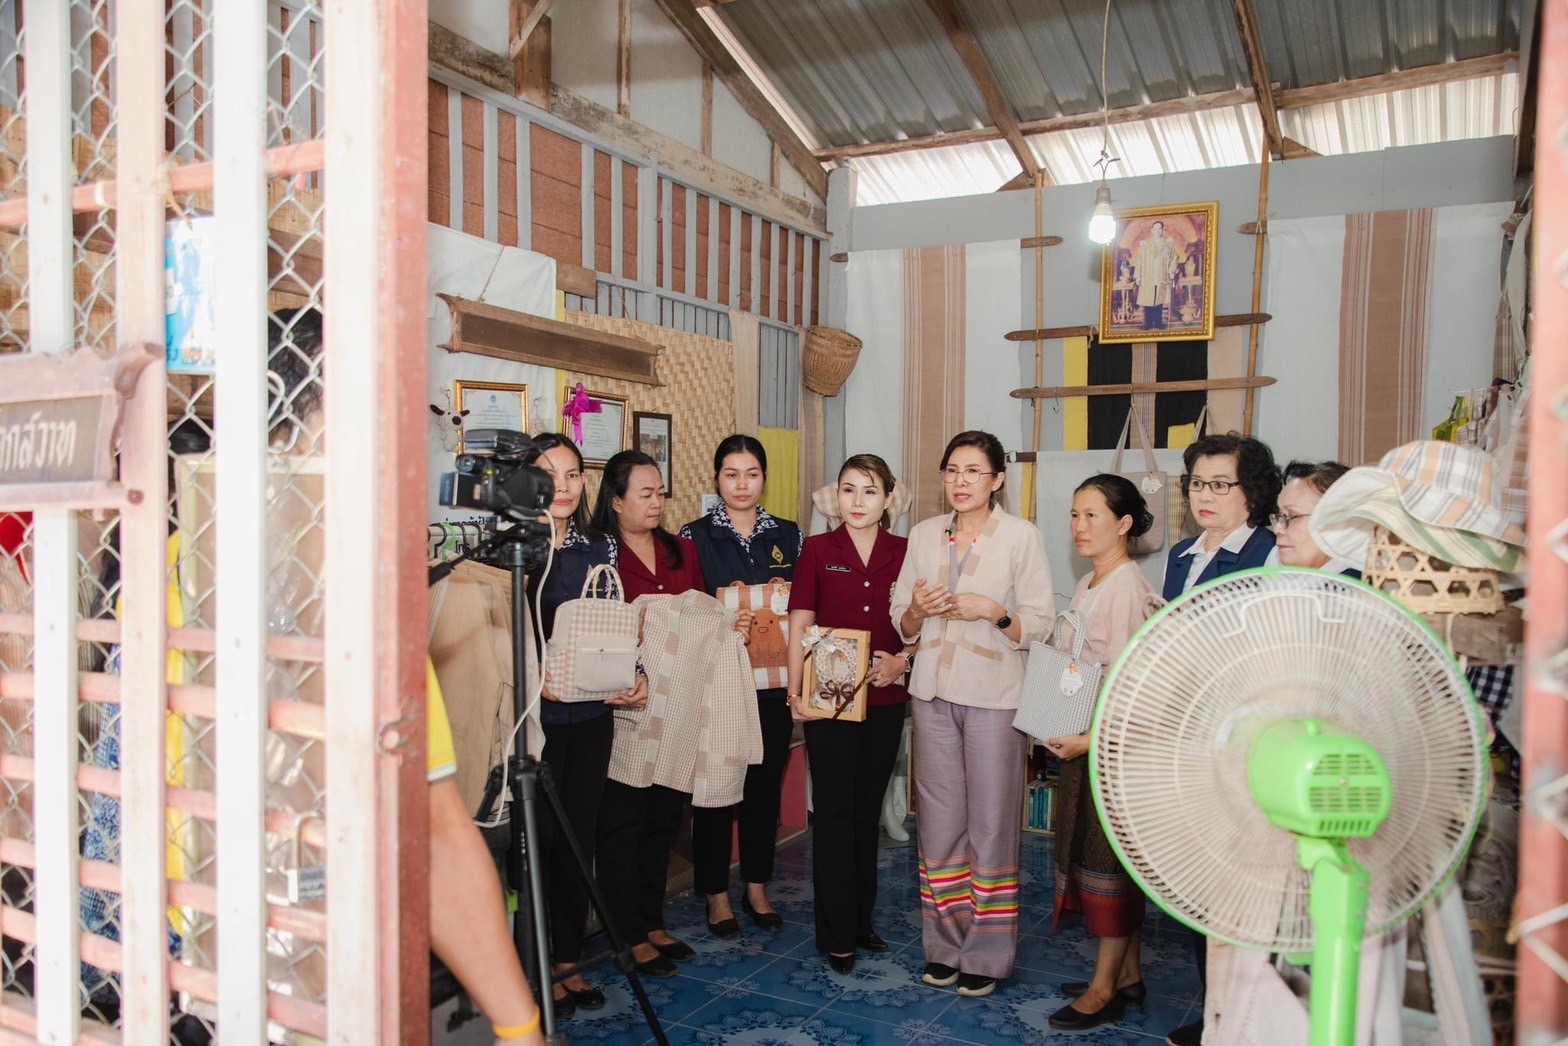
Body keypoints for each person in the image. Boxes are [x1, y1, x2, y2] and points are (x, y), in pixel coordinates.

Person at [265, 309, 548, 1043]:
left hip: (333, 979)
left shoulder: (362, 609)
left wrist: (519, 1029)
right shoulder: (167, 573)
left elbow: (436, 833)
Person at [890, 431, 1053, 999]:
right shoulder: (924, 534)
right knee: (937, 824)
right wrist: (914, 608)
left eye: (974, 471)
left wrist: (995, 612)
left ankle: (986, 952)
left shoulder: (1021, 537)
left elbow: (1041, 623)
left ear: (997, 480)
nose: (961, 481)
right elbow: (900, 620)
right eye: (952, 470)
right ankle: (944, 946)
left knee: (991, 824)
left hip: (995, 696)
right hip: (931, 690)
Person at [1160, 431, 1280, 1046]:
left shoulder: (1269, 552)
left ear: (1251, 493)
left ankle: (1248, 1022)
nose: (1203, 495)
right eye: (1195, 483)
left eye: (1218, 484)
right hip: (1189, 734)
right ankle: (1216, 1016)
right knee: (1202, 886)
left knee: (1245, 889)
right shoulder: (1181, 555)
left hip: (1245, 740)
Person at [524, 431, 647, 1019]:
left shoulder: (600, 546)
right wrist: (532, 676)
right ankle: (533, 965)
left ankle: (568, 962)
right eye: (549, 474)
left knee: (578, 837)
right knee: (537, 844)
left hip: (593, 712)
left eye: (573, 474)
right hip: (535, 721)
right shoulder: (515, 546)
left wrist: (636, 671)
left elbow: (615, 621)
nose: (564, 486)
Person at [1043, 476, 1164, 1031]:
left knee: (1108, 865)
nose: (1080, 526)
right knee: (1099, 858)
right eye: (1073, 515)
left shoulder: (1128, 589)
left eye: (1093, 515)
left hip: (1113, 749)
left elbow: (1140, 689)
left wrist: (1091, 740)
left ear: (1124, 524)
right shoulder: (1095, 582)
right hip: (1084, 739)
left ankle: (1102, 989)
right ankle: (1129, 974)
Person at [786, 454, 910, 974]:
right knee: (834, 817)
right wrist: (795, 691)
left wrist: (903, 661)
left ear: (888, 499)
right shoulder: (817, 549)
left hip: (885, 702)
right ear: (835, 497)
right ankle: (836, 933)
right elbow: (800, 621)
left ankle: (862, 923)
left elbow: (921, 626)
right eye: (848, 490)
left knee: (866, 815)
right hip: (827, 704)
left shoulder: (905, 551)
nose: (857, 501)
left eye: (869, 491)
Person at [591, 450, 707, 978]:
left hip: (678, 705)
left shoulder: (682, 551)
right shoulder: (598, 554)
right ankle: (628, 932)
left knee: (664, 818)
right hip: (626, 710)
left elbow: (702, 614)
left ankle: (653, 920)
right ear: (616, 502)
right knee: (625, 822)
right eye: (645, 493)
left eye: (660, 492)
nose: (657, 501)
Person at [680, 435, 800, 939]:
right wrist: (724, 619)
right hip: (720, 686)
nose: (742, 484)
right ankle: (713, 893)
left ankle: (755, 885)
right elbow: (685, 610)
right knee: (714, 793)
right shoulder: (693, 536)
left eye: (751, 473)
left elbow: (804, 607)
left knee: (763, 791)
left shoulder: (790, 536)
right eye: (731, 474)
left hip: (772, 689)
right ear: (716, 479)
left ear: (764, 478)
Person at [1271, 460, 1359, 575]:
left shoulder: (1357, 590)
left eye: (1292, 516)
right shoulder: (1276, 578)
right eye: (1280, 516)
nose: (1277, 529)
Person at [1133, 220, 1178, 330]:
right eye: (1155, 229)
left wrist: (1171, 271)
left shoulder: (1168, 244)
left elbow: (1174, 257)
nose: (1158, 231)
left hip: (1161, 276)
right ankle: (1148, 323)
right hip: (1148, 275)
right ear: (1152, 230)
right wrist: (1138, 276)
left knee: (1159, 300)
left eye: (1160, 229)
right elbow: (1139, 261)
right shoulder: (1145, 244)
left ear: (1162, 230)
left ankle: (1158, 322)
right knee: (1149, 300)